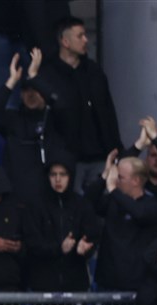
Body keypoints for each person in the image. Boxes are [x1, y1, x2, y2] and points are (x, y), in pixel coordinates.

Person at [39, 17, 121, 190]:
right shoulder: (49, 75)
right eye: (80, 36)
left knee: (101, 207)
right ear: (65, 41)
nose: (86, 40)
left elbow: (108, 111)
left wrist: (115, 147)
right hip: (68, 160)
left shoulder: (94, 72)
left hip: (99, 155)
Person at [0, 49, 64, 205]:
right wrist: (12, 81)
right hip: (16, 198)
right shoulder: (13, 119)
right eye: (26, 91)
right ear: (20, 95)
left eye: (36, 90)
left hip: (46, 199)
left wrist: (34, 76)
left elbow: (60, 104)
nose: (31, 94)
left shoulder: (53, 119)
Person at [86, 152, 157, 292]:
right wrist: (105, 175)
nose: (114, 181)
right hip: (107, 283)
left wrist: (113, 190)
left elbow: (139, 213)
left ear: (136, 181)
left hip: (136, 286)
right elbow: (88, 201)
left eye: (119, 178)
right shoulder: (112, 201)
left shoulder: (153, 205)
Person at [29, 154, 99, 292]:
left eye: (63, 174)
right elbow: (33, 243)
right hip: (43, 286)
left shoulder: (82, 205)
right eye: (53, 174)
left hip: (75, 284)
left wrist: (85, 249)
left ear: (70, 176)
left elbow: (92, 237)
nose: (58, 179)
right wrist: (59, 249)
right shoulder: (36, 205)